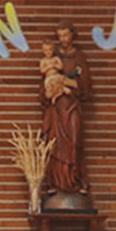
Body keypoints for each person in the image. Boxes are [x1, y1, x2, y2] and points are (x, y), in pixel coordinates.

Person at [43, 24, 91, 197]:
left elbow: (85, 86)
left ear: (73, 36)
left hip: (71, 106)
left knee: (74, 141)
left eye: (66, 35)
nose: (63, 39)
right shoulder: (52, 58)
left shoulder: (78, 57)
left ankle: (76, 181)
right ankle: (55, 183)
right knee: (54, 145)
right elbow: (44, 85)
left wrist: (67, 83)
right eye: (60, 36)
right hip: (56, 109)